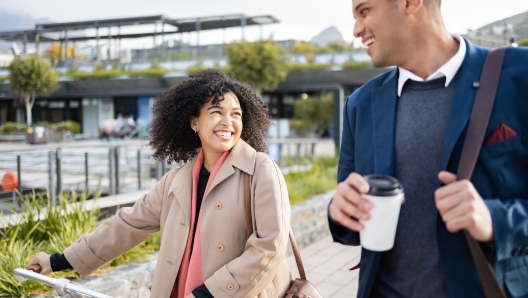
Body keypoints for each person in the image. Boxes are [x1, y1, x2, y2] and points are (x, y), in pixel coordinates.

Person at [27, 69, 294, 298]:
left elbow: (269, 248)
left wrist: (207, 294)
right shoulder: (175, 182)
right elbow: (126, 225)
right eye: (216, 112)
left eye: (236, 114)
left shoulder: (260, 169)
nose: (228, 122)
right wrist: (57, 261)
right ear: (194, 122)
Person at [328, 0, 528, 297]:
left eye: (364, 11)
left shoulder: (519, 75)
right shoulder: (360, 104)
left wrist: (496, 220)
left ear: (410, 3)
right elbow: (350, 219)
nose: (356, 30)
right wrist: (339, 210)